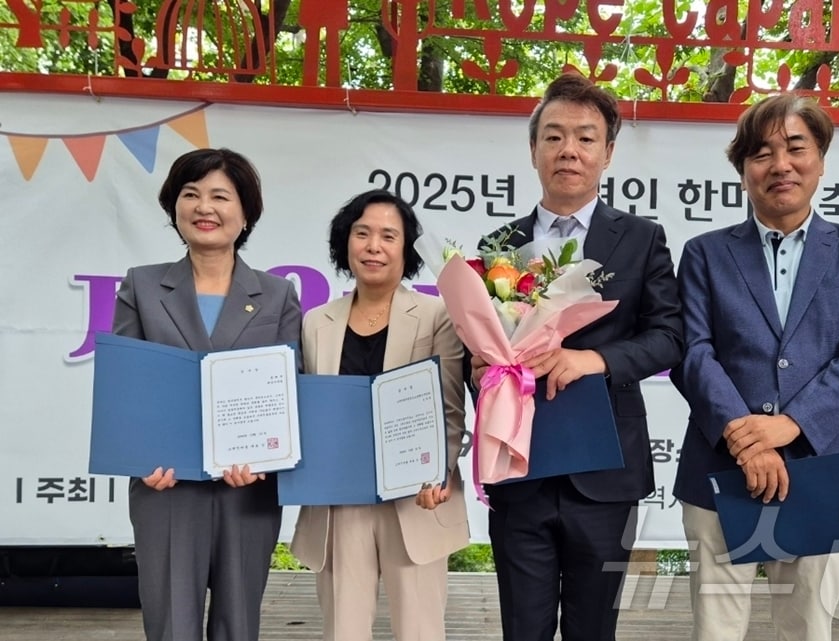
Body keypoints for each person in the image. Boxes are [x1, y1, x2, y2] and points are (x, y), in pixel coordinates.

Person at [468, 72, 685, 641]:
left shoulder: (641, 239)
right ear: (534, 149)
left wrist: (596, 360)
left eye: (586, 138)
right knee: (524, 626)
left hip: (605, 468)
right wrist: (484, 375)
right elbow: (483, 351)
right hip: (522, 469)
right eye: (555, 136)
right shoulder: (498, 247)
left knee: (594, 628)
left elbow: (669, 337)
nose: (570, 150)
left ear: (608, 152)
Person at [670, 93, 839, 641]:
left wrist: (788, 426)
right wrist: (748, 439)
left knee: (807, 630)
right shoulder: (704, 253)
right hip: (721, 465)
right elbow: (691, 351)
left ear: (820, 157)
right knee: (715, 631)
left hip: (822, 464)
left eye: (796, 147)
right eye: (762, 153)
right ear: (743, 168)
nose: (780, 165)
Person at [112, 147, 303, 641]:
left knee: (238, 625)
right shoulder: (143, 286)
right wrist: (142, 457)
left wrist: (264, 456)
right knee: (171, 624)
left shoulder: (278, 294)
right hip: (166, 485)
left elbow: (290, 387)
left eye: (221, 196)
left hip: (248, 488)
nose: (204, 207)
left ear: (245, 214)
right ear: (174, 207)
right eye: (191, 194)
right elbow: (128, 383)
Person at [290, 189, 469, 641]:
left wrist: (438, 472)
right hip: (339, 502)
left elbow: (449, 409)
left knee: (420, 631)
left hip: (415, 497)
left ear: (406, 248)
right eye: (362, 233)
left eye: (388, 236)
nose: (373, 246)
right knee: (343, 631)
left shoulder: (437, 316)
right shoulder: (315, 321)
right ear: (344, 243)